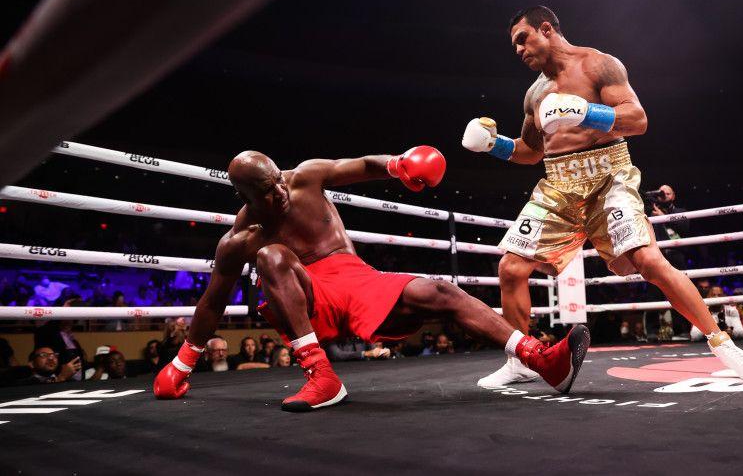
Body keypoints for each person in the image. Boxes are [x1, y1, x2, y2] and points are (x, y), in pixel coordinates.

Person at [154, 147, 590, 412]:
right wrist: (181, 364)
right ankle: (322, 377)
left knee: (437, 289)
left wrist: (399, 165)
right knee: (270, 255)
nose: (280, 191)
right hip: (306, 294)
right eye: (267, 190)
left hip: (358, 279)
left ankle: (539, 359)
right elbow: (212, 303)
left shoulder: (304, 177)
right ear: (245, 197)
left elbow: (360, 164)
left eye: (277, 180)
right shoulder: (241, 238)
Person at [461, 5, 743, 386]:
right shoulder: (534, 94)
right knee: (510, 268)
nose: (519, 50)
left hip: (609, 176)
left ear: (546, 29)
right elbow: (533, 151)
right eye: (514, 45)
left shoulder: (598, 65)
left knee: (649, 261)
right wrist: (494, 145)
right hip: (558, 185)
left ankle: (722, 344)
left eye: (523, 39)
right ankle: (521, 360)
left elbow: (637, 120)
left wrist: (586, 112)